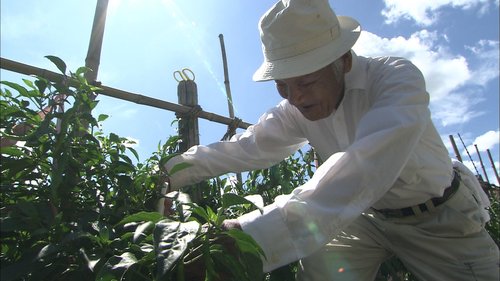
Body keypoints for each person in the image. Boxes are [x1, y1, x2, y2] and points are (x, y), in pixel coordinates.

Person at [163, 0, 499, 280]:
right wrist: (169, 173)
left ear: (344, 61)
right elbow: (249, 146)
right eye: (282, 85)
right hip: (366, 217)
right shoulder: (295, 107)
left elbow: (364, 166)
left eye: (306, 82)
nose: (294, 97)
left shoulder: (396, 79)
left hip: (437, 221)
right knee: (322, 265)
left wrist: (242, 234)